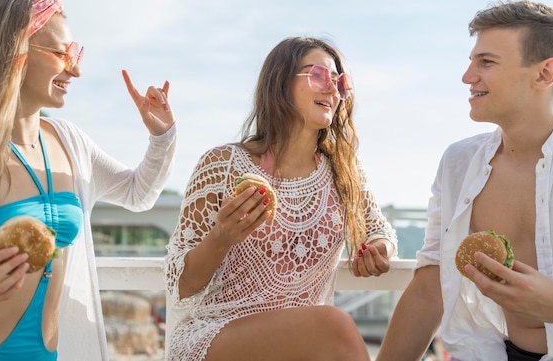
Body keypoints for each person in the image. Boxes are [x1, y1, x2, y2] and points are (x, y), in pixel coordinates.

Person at [0, 0, 176, 360]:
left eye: (76, 53)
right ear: (14, 54)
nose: (76, 69)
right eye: (62, 54)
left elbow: (139, 194)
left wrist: (162, 137)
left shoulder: (69, 141)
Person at [163, 36, 398, 361]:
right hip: (219, 335)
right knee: (335, 325)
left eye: (339, 81)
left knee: (330, 328)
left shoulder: (345, 171)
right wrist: (222, 236)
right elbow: (181, 284)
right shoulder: (222, 165)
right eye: (318, 75)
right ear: (280, 83)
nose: (332, 89)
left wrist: (377, 250)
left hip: (303, 346)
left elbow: (380, 231)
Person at [377, 0, 553, 360]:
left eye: (486, 62)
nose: (468, 76)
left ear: (545, 73)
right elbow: (430, 290)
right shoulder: (458, 163)